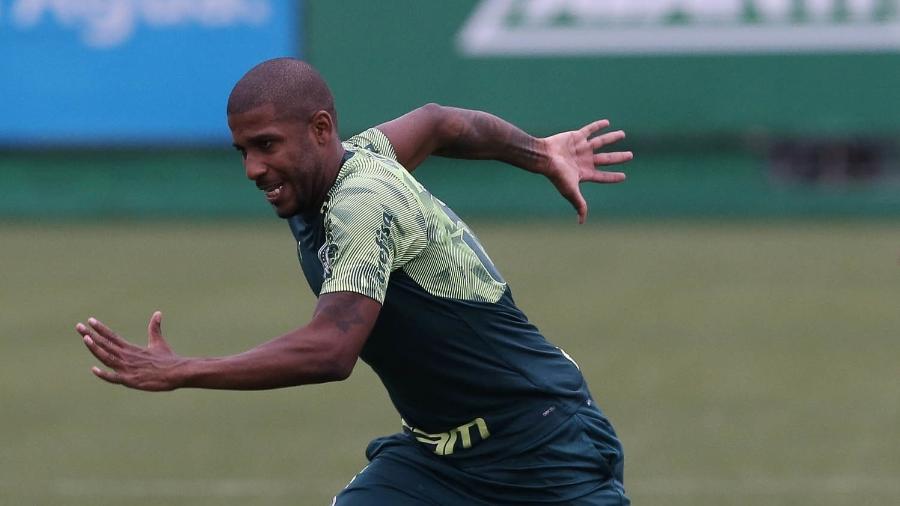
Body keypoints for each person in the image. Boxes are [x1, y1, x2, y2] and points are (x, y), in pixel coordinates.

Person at [76, 57, 634, 505]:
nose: (252, 168)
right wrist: (539, 151)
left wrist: (185, 370)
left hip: (541, 447)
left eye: (267, 145)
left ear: (321, 130)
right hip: (441, 461)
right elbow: (441, 122)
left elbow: (332, 349)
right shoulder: (354, 161)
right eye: (243, 150)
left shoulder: (359, 201)